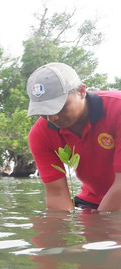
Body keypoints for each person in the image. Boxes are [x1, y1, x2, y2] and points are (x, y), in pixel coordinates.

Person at [27, 62, 121, 211]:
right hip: (93, 199)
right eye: (44, 111)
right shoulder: (40, 134)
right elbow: (56, 194)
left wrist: (101, 227)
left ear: (81, 91)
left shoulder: (117, 109)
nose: (53, 118)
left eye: (60, 107)